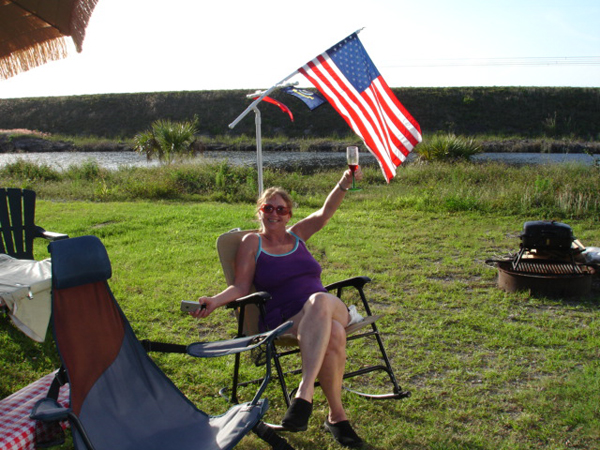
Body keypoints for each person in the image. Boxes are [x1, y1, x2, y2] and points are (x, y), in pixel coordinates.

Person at [191, 167, 364, 448]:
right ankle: (337, 418)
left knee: (319, 301)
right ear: (259, 211)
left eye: (281, 210)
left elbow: (324, 212)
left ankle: (303, 393)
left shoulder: (297, 236)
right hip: (286, 318)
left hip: (328, 306)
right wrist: (213, 301)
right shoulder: (252, 242)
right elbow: (239, 287)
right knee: (333, 333)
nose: (274, 213)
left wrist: (344, 183)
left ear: (289, 215)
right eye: (268, 207)